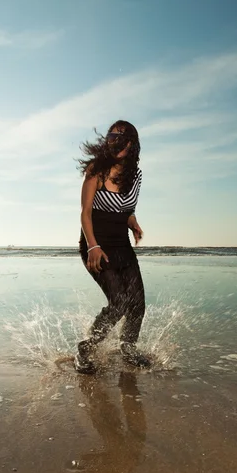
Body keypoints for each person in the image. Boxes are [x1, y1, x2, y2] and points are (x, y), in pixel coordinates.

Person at [74, 120, 151, 374]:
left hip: (121, 243)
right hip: (96, 242)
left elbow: (125, 209)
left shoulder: (135, 175)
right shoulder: (97, 170)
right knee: (118, 302)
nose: (117, 143)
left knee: (137, 303)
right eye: (112, 137)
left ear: (132, 145)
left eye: (123, 139)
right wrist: (93, 247)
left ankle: (128, 348)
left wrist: (133, 222)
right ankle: (86, 349)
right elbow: (85, 213)